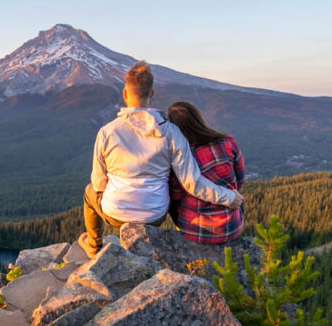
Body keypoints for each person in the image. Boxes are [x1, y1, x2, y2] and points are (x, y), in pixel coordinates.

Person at [79, 62, 243, 258]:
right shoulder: (171, 132)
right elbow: (192, 183)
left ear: (125, 93)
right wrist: (231, 198)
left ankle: (94, 245)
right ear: (152, 93)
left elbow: (99, 183)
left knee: (89, 193)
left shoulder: (107, 132)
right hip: (154, 215)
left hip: (116, 214)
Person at [167, 101, 245, 244]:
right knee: (238, 196)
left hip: (195, 230)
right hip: (231, 227)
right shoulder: (227, 142)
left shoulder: (181, 158)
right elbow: (239, 179)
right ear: (198, 119)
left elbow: (176, 196)